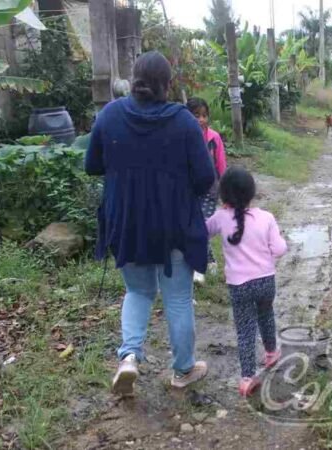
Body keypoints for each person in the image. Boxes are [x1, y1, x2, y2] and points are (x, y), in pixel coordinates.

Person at [85, 51, 216, 395]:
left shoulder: (110, 115)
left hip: (127, 222)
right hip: (174, 225)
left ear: (134, 79)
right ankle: (183, 370)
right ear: (167, 84)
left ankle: (129, 356)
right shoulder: (184, 121)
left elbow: (92, 165)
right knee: (177, 298)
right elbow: (205, 178)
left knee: (138, 291)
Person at [206, 167, 287, 397]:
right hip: (265, 282)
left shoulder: (221, 217)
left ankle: (247, 377)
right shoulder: (266, 217)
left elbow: (202, 231)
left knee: (245, 329)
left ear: (223, 195)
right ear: (252, 193)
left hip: (239, 286)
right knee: (266, 315)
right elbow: (280, 249)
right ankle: (271, 353)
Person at [186, 97, 227, 284]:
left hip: (210, 191)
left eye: (204, 116)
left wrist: (225, 191)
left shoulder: (214, 138)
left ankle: (200, 266)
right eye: (196, 116)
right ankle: (209, 259)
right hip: (189, 191)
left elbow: (221, 165)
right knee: (194, 227)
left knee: (203, 226)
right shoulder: (183, 137)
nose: (201, 120)